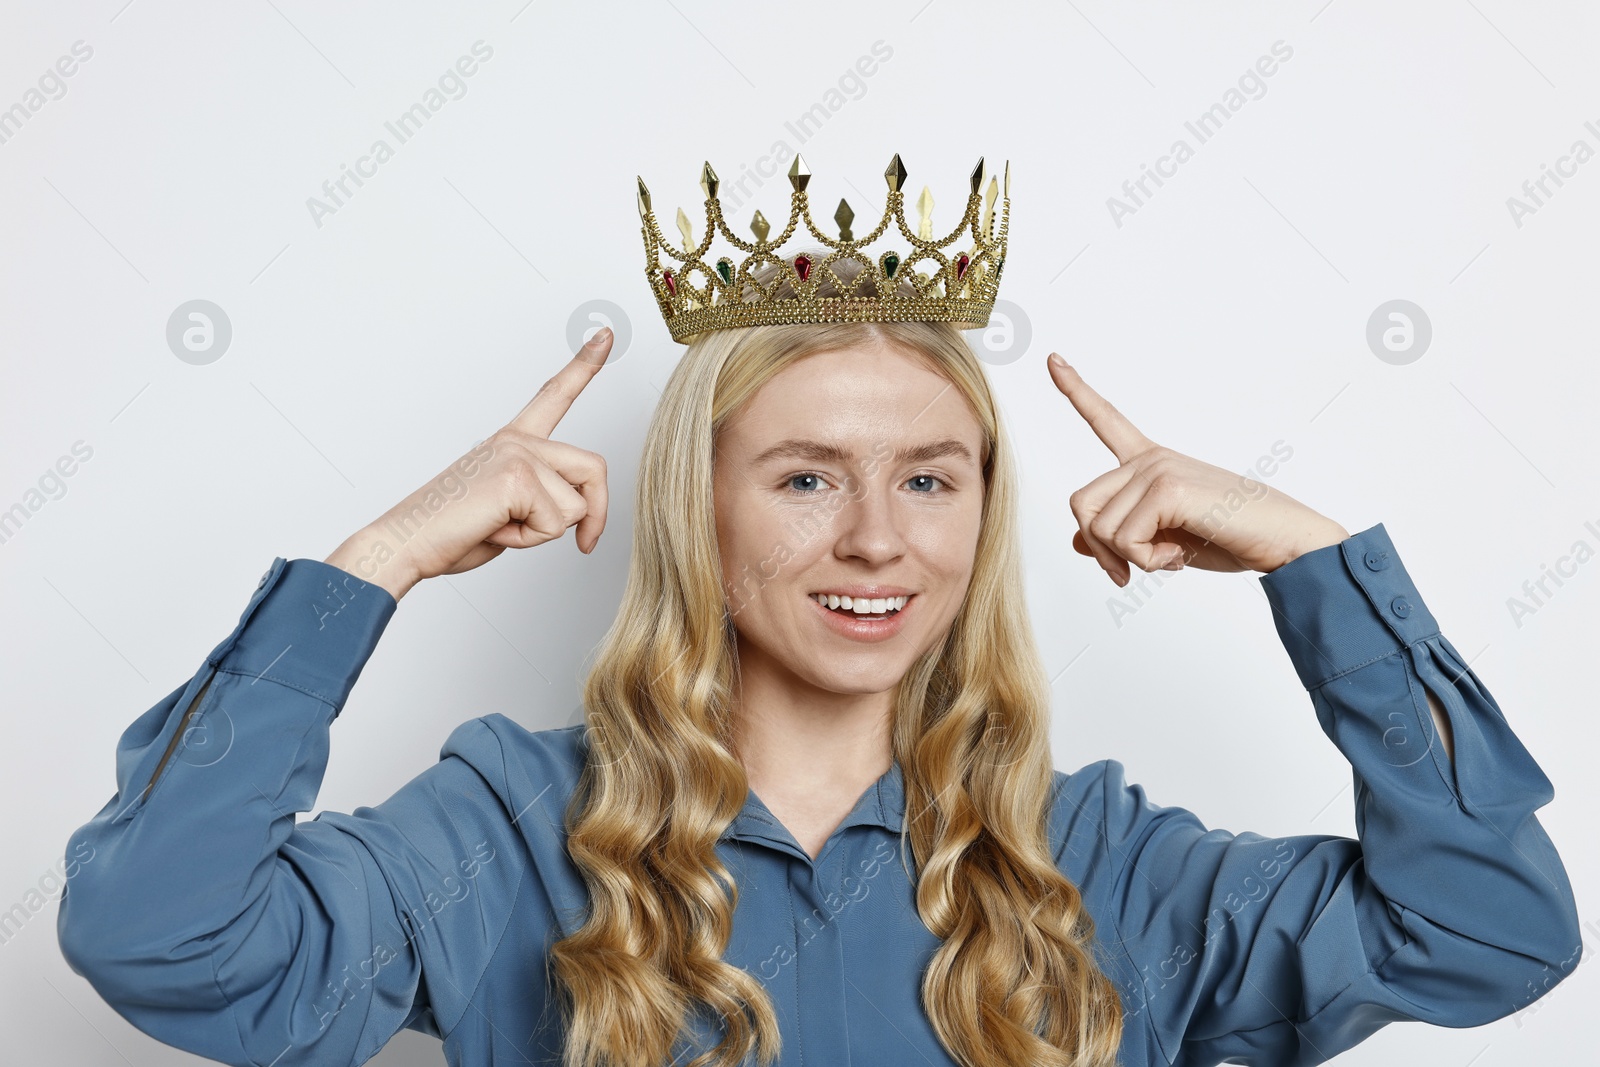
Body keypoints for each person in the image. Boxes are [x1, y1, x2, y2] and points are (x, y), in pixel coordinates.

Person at [58, 155, 1580, 1067]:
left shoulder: (1096, 860)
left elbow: (1489, 932)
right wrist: (374, 561)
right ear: (695, 511)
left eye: (931, 480)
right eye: (802, 480)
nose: (876, 539)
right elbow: (160, 937)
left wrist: (1315, 567)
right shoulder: (509, 833)